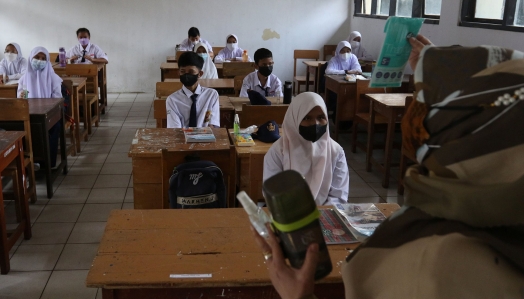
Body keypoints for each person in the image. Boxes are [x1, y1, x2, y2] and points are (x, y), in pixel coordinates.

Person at [253, 35, 524, 299]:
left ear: (456, 131)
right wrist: (439, 72)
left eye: (421, 103)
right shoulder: (487, 216)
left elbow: (338, 196)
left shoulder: (426, 261)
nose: (410, 117)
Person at [263, 92, 349, 205]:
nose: (315, 124)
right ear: (295, 119)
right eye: (307, 118)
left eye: (321, 117)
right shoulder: (279, 151)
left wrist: (321, 216)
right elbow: (273, 193)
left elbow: (338, 196)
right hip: (288, 214)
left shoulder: (336, 151)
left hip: (324, 214)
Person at [17, 46, 63, 168]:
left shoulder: (53, 78)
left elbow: (57, 99)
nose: (40, 60)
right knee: (25, 128)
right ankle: (31, 161)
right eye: (37, 57)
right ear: (31, 58)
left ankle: (49, 162)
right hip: (30, 113)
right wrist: (22, 95)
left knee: (53, 128)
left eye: (43, 58)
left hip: (50, 114)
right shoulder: (24, 79)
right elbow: (22, 98)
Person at [166, 52, 220, 128]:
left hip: (206, 137)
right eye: (183, 71)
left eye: (191, 72)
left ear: (200, 74)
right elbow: (175, 129)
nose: (186, 75)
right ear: (178, 73)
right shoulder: (172, 100)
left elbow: (213, 125)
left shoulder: (211, 95)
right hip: (182, 138)